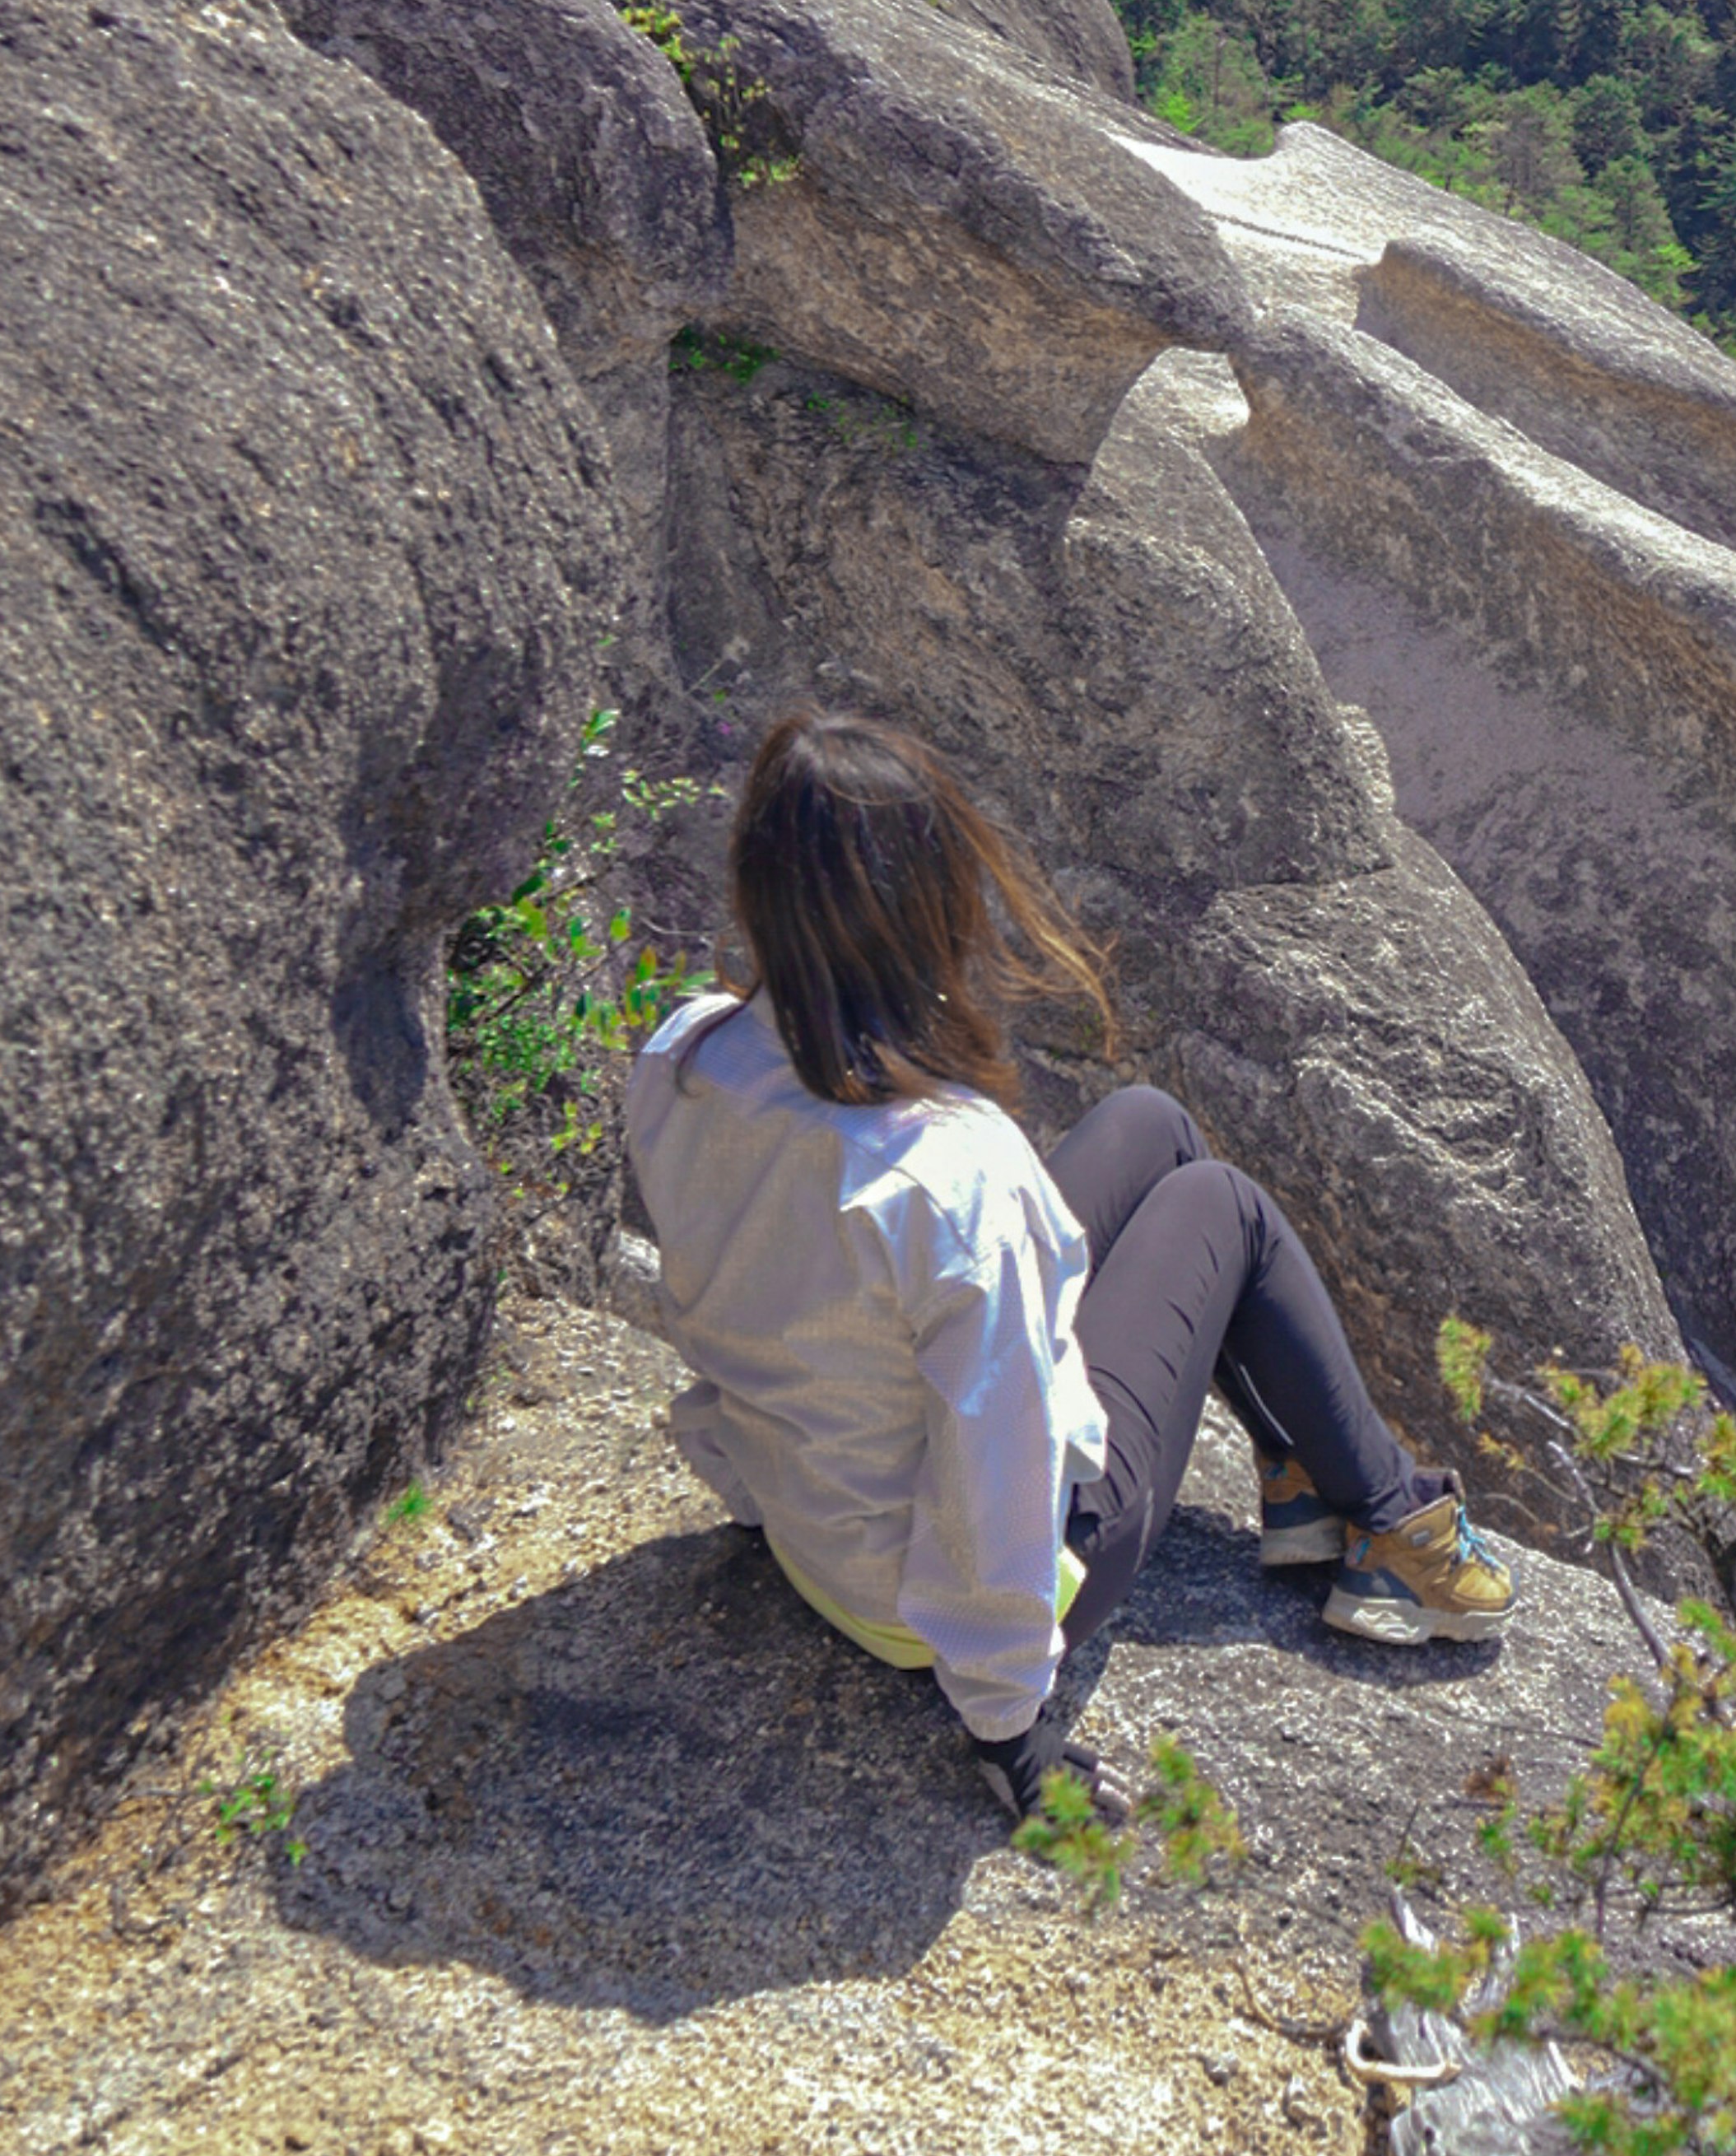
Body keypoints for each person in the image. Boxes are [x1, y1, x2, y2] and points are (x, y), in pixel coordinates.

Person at [622, 708, 1515, 1821]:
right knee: (1220, 1207)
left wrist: (755, 1497)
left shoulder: (685, 1058)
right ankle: (1393, 1528)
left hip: (816, 1530)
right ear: (926, 912)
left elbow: (715, 1298)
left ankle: (1308, 1484)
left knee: (1150, 1123)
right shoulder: (947, 1171)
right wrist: (1008, 1731)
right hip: (927, 1601)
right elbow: (996, 1470)